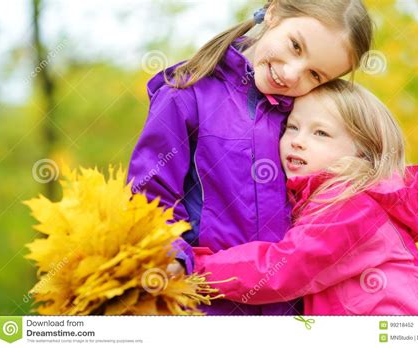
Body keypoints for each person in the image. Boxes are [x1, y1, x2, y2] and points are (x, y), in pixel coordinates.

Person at [128, 0, 373, 315]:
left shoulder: (301, 118)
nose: (291, 74)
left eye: (315, 75)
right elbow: (148, 194)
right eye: (295, 46)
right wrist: (172, 256)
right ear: (273, 12)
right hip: (205, 308)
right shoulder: (186, 94)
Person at [194, 80, 418, 315]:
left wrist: (195, 269)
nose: (298, 141)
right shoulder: (330, 198)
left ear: (364, 151)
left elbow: (285, 268)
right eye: (292, 127)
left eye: (321, 133)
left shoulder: (354, 204)